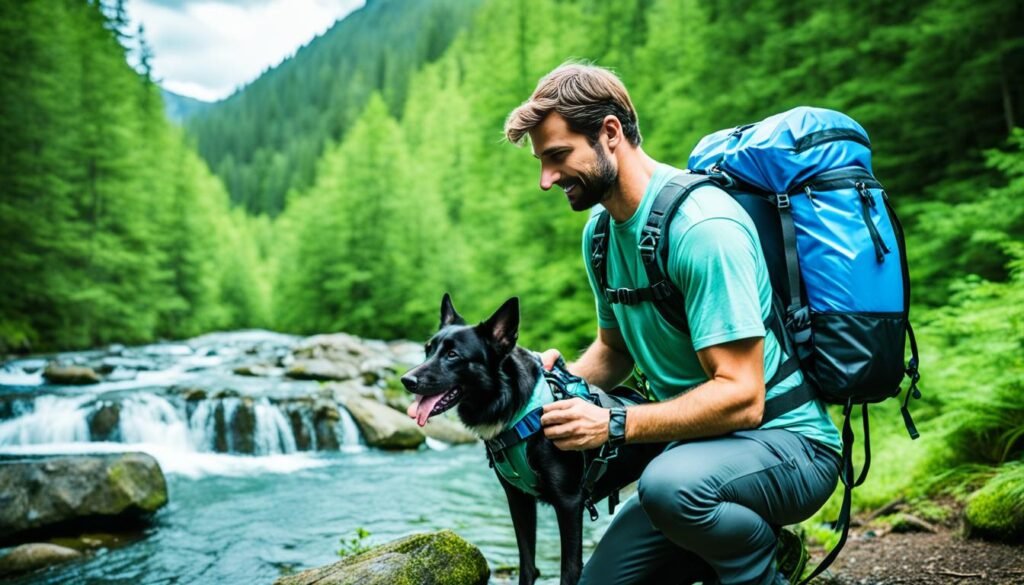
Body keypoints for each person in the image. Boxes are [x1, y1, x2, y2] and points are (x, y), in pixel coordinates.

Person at [503, 62, 842, 585]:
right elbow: (614, 352)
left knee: (668, 488)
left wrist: (613, 424)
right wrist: (553, 385)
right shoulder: (601, 235)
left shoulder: (703, 229)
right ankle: (716, 551)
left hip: (787, 446)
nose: (546, 180)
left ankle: (765, 557)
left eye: (557, 156)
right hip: (693, 455)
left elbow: (743, 397)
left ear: (610, 133)